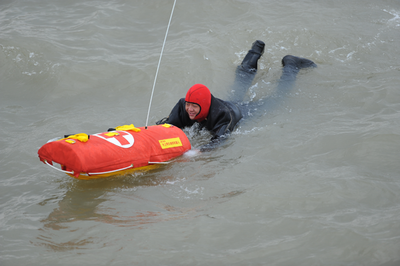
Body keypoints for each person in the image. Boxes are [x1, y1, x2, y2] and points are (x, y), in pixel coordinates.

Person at [156, 40, 316, 151]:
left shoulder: (222, 116)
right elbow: (167, 126)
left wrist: (194, 153)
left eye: (194, 106)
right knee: (240, 82)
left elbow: (218, 142)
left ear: (204, 105)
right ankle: (255, 50)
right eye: (188, 104)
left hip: (240, 112)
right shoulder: (182, 107)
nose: (189, 109)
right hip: (227, 102)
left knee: (279, 99)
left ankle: (292, 64)